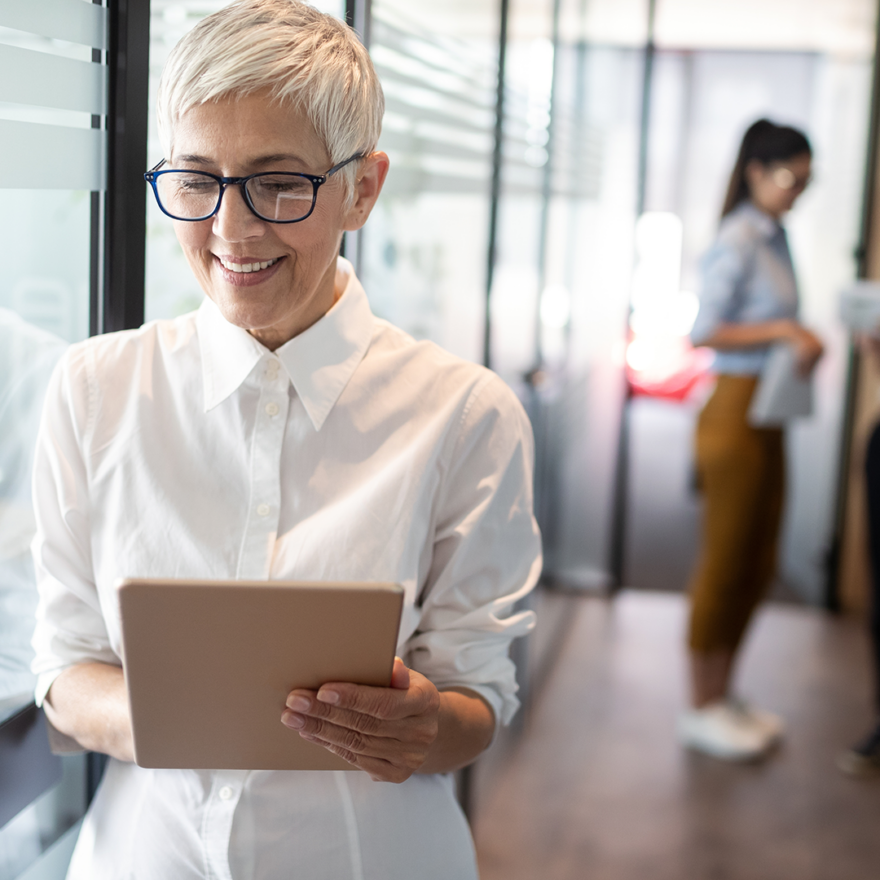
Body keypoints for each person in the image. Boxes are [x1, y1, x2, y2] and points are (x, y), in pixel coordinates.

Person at [29, 2, 542, 877]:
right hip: (142, 856)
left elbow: (476, 699)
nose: (232, 228)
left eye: (279, 184)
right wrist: (180, 718)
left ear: (363, 189)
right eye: (196, 180)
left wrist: (425, 726)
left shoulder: (466, 415)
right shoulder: (93, 390)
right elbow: (66, 673)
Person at [679, 118, 823, 761]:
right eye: (791, 177)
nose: (798, 191)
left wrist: (796, 338)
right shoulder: (737, 237)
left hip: (770, 410)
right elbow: (704, 331)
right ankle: (700, 706)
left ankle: (726, 693)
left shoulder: (777, 237)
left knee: (760, 558)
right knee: (726, 559)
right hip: (733, 413)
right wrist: (785, 334)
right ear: (758, 172)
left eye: (807, 181)